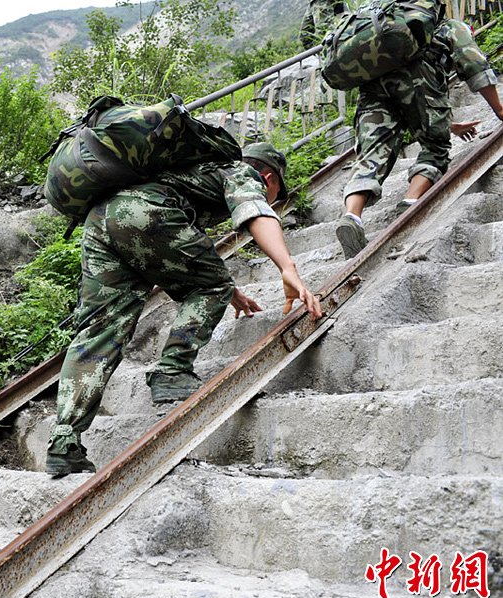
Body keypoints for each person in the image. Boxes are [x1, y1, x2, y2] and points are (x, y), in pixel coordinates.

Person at [45, 143, 324, 477]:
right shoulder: (242, 172)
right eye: (276, 191)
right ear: (268, 177)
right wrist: (286, 266)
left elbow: (180, 242)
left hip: (101, 219)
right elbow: (255, 211)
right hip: (143, 212)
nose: (274, 198)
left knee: (99, 331)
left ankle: (64, 441)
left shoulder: (190, 172)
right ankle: (172, 370)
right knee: (212, 284)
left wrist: (230, 290)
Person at [336, 17, 503, 259]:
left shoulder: (388, 27)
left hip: (372, 88)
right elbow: (473, 63)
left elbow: (410, 112)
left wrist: (451, 124)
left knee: (372, 154)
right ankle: (410, 202)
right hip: (418, 81)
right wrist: (498, 109)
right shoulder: (450, 26)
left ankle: (351, 216)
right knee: (435, 147)